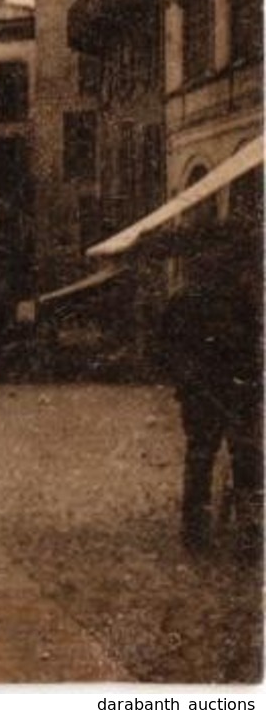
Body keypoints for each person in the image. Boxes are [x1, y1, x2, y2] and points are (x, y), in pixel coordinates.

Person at [159, 219, 264, 558]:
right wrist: (188, 380)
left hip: (237, 390)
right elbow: (168, 349)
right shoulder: (186, 300)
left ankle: (248, 527)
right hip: (204, 392)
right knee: (204, 456)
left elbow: (253, 342)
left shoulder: (240, 298)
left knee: (245, 456)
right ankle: (196, 527)